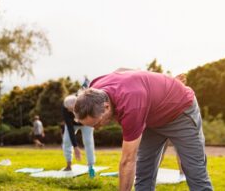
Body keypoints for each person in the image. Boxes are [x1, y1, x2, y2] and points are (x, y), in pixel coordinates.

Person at [73, 69, 213, 191]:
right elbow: (131, 74)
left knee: (195, 171)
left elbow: (127, 161)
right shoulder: (94, 91)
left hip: (180, 112)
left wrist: (170, 86)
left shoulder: (131, 104)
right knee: (144, 171)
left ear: (106, 107)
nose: (97, 128)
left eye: (97, 123)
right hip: (150, 117)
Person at [62, 95, 96, 178]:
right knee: (66, 140)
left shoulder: (86, 105)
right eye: (68, 109)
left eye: (71, 109)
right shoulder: (65, 108)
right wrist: (75, 147)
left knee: (88, 141)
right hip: (72, 125)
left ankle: (91, 166)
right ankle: (68, 165)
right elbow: (70, 129)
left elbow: (92, 118)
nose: (69, 111)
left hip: (86, 122)